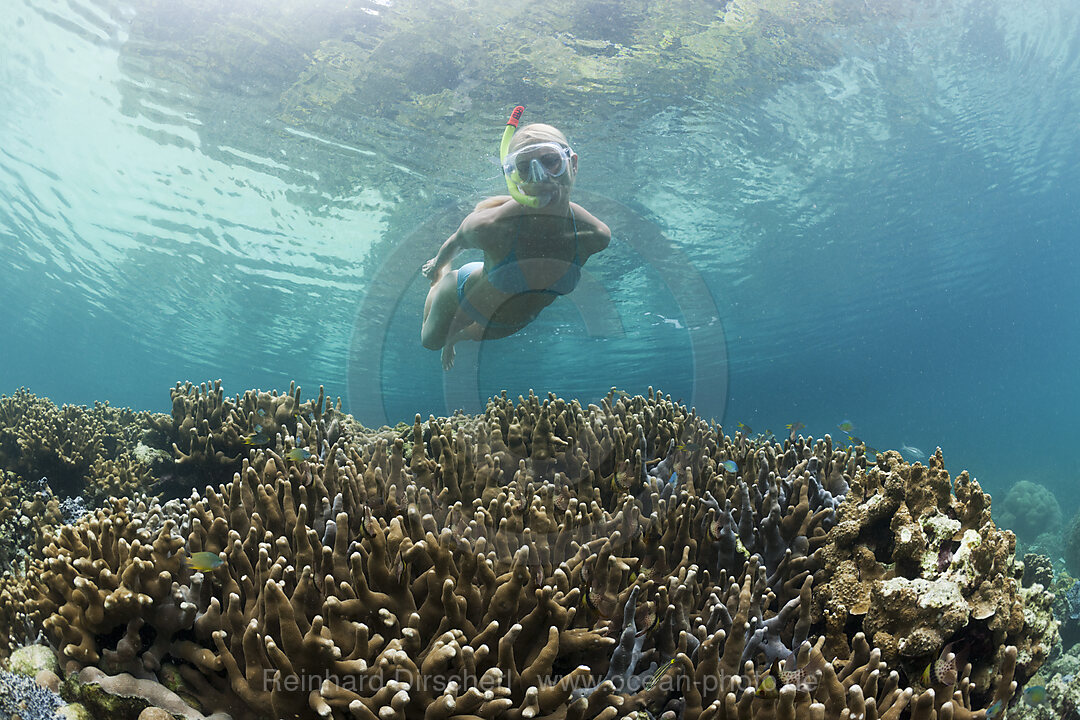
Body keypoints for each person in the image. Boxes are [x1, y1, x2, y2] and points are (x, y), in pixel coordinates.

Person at [421, 108, 611, 370]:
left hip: (508, 324)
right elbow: (456, 241)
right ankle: (440, 284)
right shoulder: (492, 225)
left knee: (462, 337)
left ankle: (453, 339)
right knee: (430, 342)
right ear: (513, 177)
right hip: (461, 294)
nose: (540, 176)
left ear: (573, 164)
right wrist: (436, 267)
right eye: (524, 167)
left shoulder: (594, 236)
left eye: (550, 160)